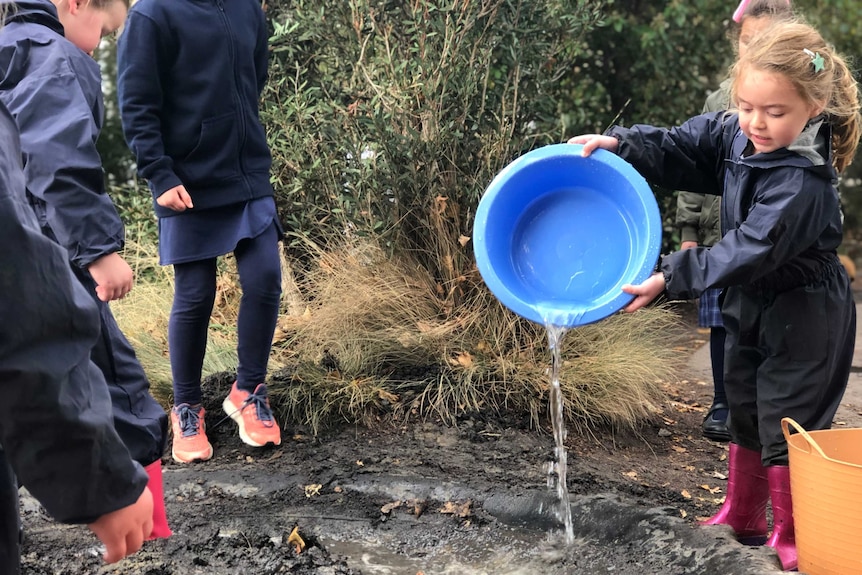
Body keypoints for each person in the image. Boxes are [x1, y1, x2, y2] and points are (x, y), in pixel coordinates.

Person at [569, 20, 859, 571]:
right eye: (747, 106)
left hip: (805, 308)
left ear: (814, 106)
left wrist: (673, 274)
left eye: (774, 113)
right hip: (750, 299)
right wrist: (623, 144)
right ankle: (741, 513)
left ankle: (795, 534)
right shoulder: (737, 131)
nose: (756, 123)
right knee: (743, 401)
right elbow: (683, 146)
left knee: (786, 417)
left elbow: (750, 245)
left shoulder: (804, 181)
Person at [0, 0, 171, 538]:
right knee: (117, 378)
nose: (97, 45)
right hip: (50, 250)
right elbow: (58, 155)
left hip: (30, 241)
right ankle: (145, 521)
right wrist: (100, 248)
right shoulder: (54, 54)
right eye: (102, 29)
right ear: (73, 4)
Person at [116, 0, 284, 463]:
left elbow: (254, 77)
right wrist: (159, 173)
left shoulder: (247, 7)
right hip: (184, 180)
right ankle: (186, 406)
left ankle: (249, 390)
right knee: (196, 294)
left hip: (246, 172)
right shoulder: (153, 14)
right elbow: (136, 102)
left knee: (266, 277)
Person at [675, 0, 794, 442]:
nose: (753, 51)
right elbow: (694, 164)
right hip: (719, 231)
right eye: (748, 43)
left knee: (760, 323)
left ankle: (764, 408)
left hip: (764, 232)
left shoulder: (794, 98)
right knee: (723, 321)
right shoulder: (720, 98)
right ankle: (723, 402)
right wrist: (688, 232)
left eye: (764, 43)